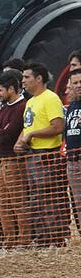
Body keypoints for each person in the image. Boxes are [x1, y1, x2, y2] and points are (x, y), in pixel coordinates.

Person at [15, 62, 66, 248]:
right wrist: (19, 141)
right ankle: (42, 237)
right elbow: (28, 127)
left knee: (48, 197)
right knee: (36, 198)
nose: (23, 81)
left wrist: (32, 135)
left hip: (46, 155)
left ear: (39, 78)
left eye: (27, 77)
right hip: (32, 155)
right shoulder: (31, 101)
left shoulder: (50, 98)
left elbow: (57, 127)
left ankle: (55, 238)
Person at [0, 70, 29, 247]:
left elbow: (6, 135)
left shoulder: (21, 107)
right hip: (3, 160)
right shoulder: (4, 108)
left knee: (18, 200)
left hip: (14, 160)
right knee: (1, 201)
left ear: (11, 89)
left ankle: (23, 238)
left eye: (0, 90)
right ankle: (10, 238)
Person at [64, 74, 81, 237]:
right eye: (75, 83)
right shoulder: (72, 106)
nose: (78, 85)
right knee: (78, 203)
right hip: (72, 161)